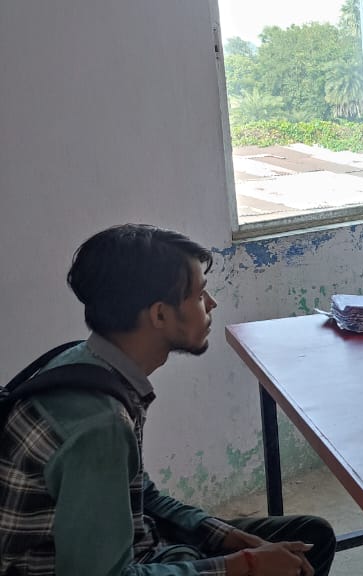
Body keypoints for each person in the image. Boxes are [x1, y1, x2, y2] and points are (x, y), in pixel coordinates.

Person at [0, 224, 336, 576]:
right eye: (199, 295)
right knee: (290, 563)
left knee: (310, 537)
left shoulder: (83, 361)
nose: (212, 303)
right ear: (159, 314)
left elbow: (142, 497)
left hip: (132, 547)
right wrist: (243, 566)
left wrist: (232, 538)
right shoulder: (99, 423)